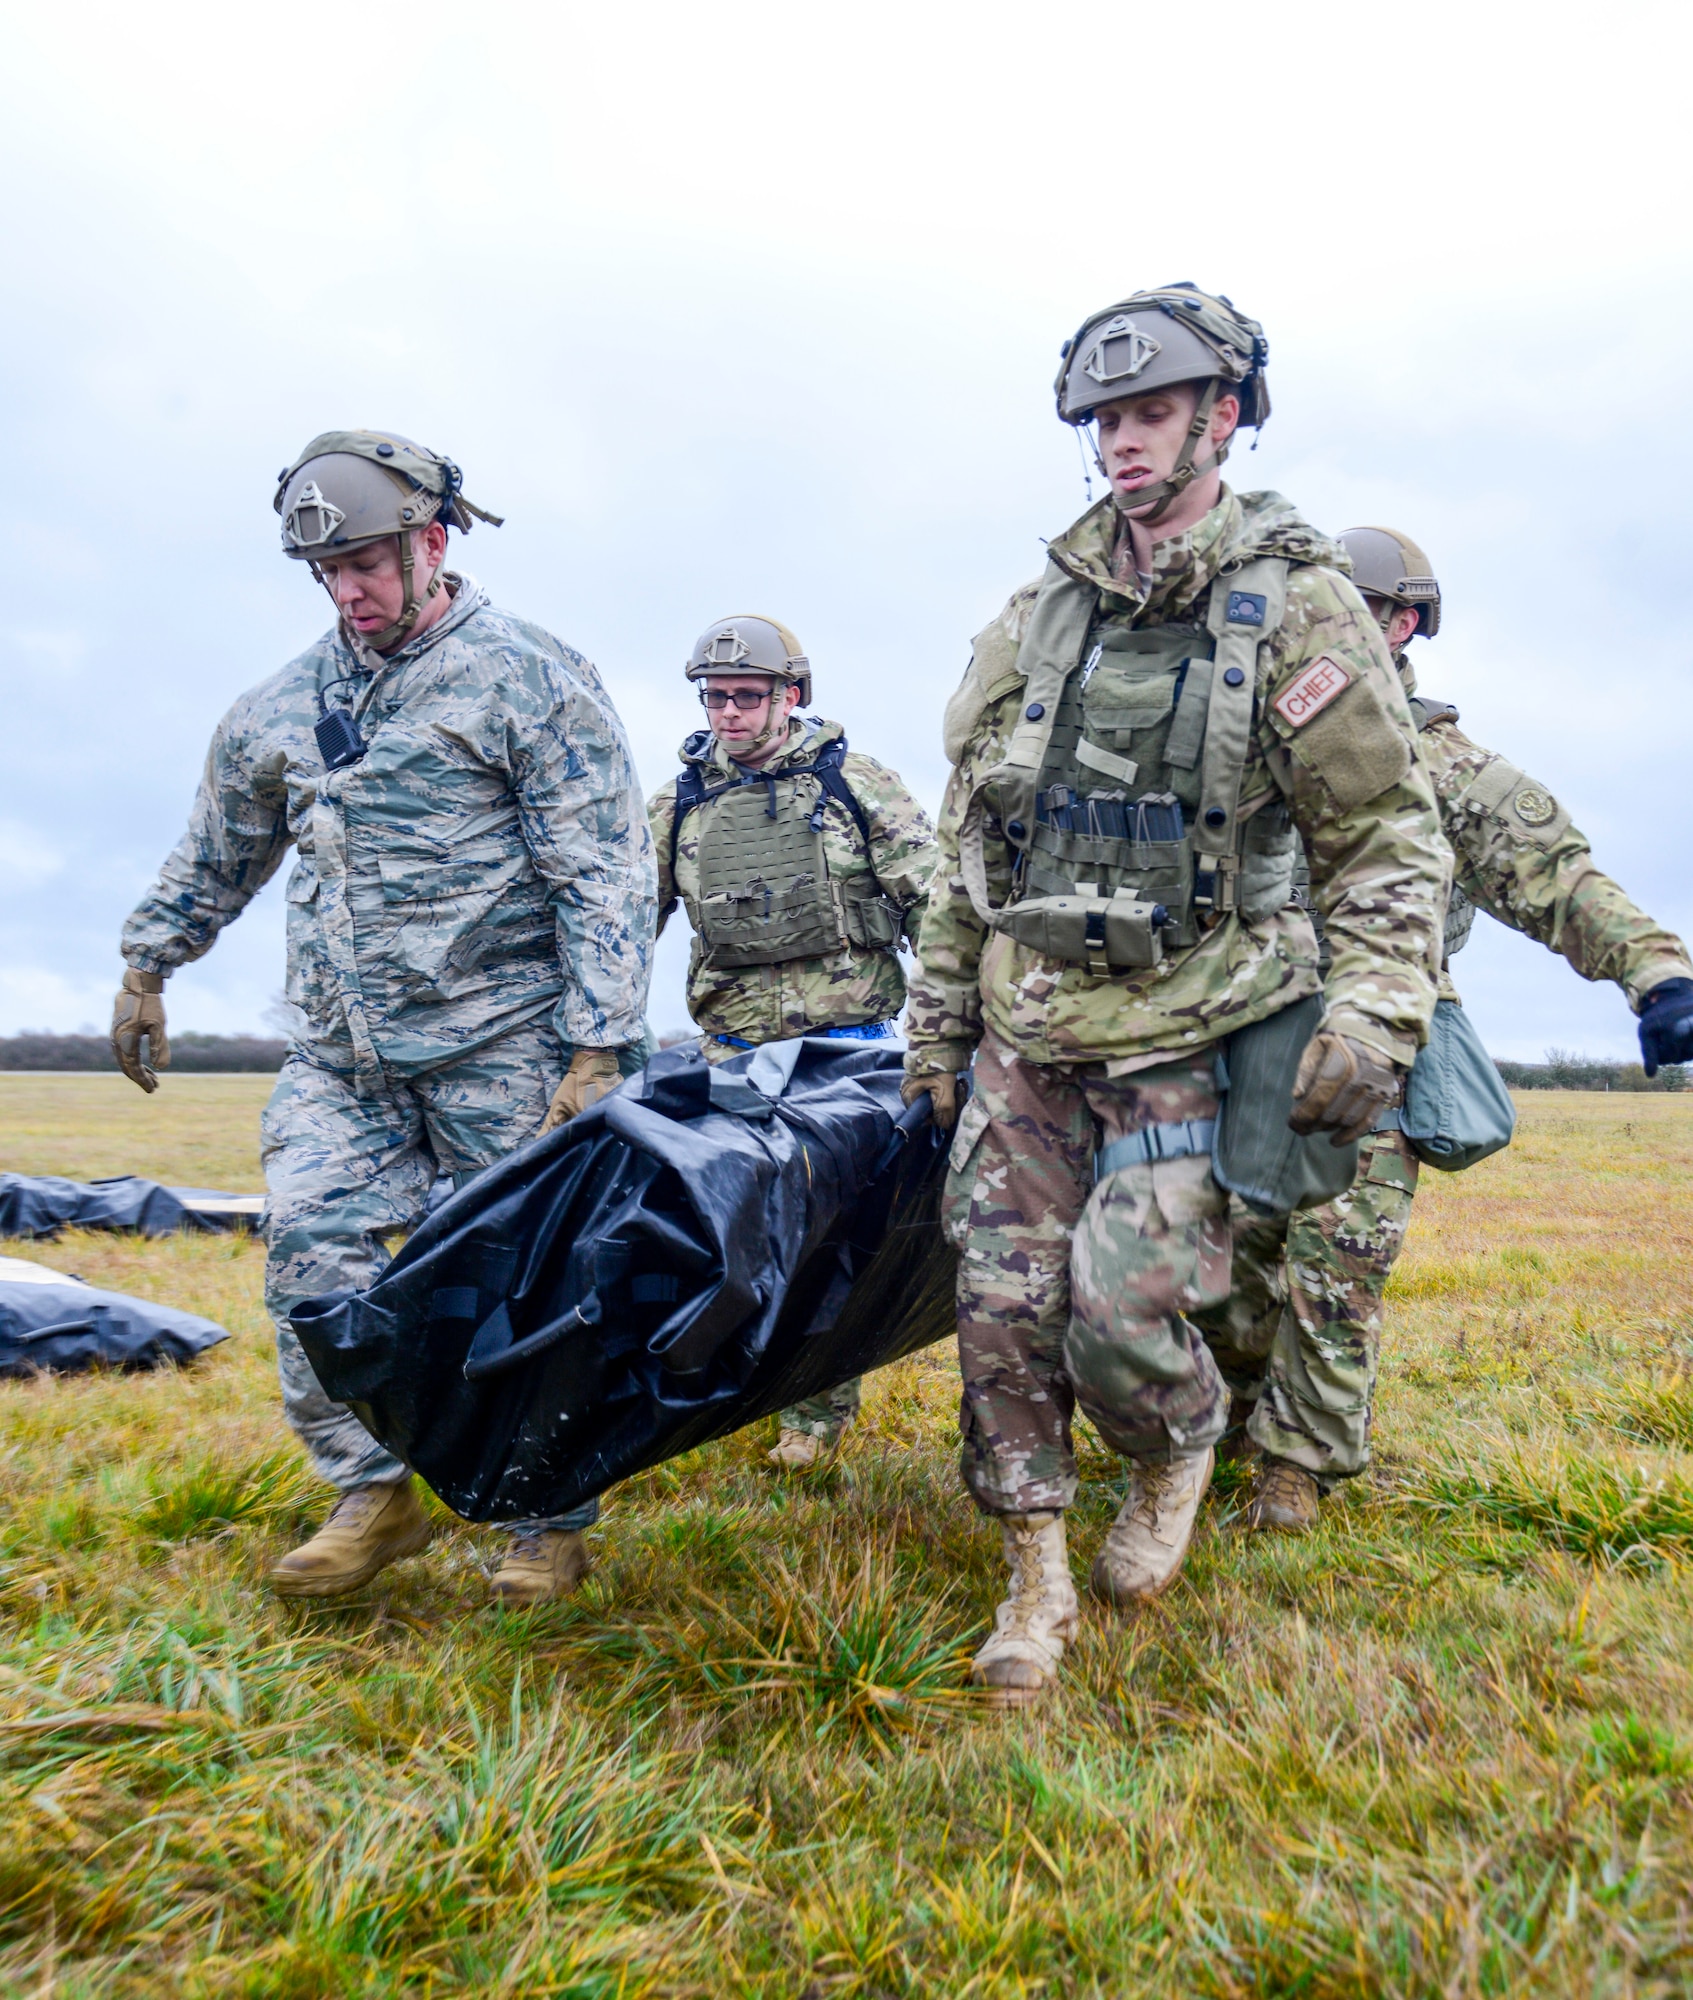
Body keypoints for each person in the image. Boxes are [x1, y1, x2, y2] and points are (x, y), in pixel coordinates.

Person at [900, 286, 1451, 1707]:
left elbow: (1384, 830)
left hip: (1194, 1026)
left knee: (1119, 1306)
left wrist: (1378, 1008)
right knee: (1003, 1305)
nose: (1122, 442)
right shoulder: (1042, 607)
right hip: (1033, 1022)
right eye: (1103, 419)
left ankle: (1181, 1435)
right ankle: (1034, 1577)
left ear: (1221, 417)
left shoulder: (1297, 603)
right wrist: (940, 1022)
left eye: (1149, 413)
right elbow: (975, 826)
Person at [113, 431, 655, 1605]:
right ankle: (373, 1488)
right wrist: (150, 959)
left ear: (431, 542)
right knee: (309, 1254)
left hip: (505, 1042)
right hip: (343, 1057)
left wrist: (599, 1041)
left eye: (366, 562)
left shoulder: (527, 677)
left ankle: (543, 1516)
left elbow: (603, 867)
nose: (348, 591)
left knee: (532, 1282)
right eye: (327, 573)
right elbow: (222, 844)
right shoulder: (284, 705)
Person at [1208, 524, 1693, 1530]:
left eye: (1357, 611)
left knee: (1336, 1261)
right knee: (1229, 1257)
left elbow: (1554, 876)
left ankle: (1294, 1470)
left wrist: (1656, 974)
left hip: (1376, 1042)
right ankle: (1227, 1422)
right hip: (1241, 1034)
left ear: (1404, 622)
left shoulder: (1447, 764)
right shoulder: (1242, 741)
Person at [647, 615, 936, 1467]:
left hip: (844, 1051)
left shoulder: (860, 785)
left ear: (790, 696)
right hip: (733, 1051)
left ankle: (813, 1416)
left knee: (831, 1232)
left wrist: (959, 1019)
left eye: (747, 697)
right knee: (728, 1230)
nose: (729, 714)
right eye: (715, 698)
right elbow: (627, 923)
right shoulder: (677, 807)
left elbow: (934, 903)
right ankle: (718, 1390)